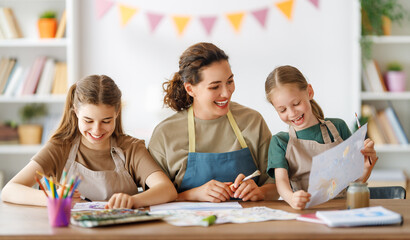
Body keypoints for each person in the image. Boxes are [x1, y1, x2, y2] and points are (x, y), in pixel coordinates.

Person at [1, 75, 177, 209]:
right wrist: (55, 198)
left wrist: (133, 200)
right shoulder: (60, 147)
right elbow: (9, 190)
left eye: (106, 121)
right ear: (76, 112)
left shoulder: (131, 148)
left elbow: (167, 190)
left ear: (117, 112)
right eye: (88, 121)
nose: (97, 130)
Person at [148, 42, 278, 203]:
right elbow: (151, 197)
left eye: (229, 81)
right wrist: (192, 194)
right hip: (188, 227)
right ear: (190, 89)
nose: (226, 92)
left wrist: (260, 191)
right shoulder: (165, 133)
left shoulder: (252, 121)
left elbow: (276, 183)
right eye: (215, 87)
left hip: (246, 226)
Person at [264, 65, 378, 210]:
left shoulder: (338, 127)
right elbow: (281, 182)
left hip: (342, 209)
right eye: (282, 110)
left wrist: (366, 167)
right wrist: (292, 198)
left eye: (296, 103)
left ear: (309, 92)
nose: (292, 113)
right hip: (305, 212)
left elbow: (356, 181)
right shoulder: (280, 142)